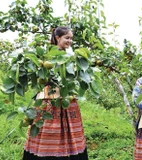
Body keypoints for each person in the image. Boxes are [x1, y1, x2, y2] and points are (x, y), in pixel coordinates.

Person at [23, 26, 89, 160]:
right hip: (49, 96)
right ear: (58, 37)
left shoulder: (70, 56)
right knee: (47, 127)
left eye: (71, 38)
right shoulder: (48, 55)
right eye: (67, 38)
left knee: (70, 130)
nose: (70, 41)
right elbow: (41, 76)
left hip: (66, 96)